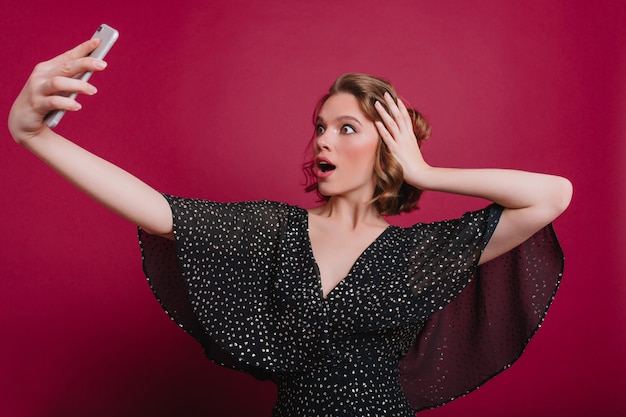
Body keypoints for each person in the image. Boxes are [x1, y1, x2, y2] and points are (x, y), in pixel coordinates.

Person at [9, 39, 572, 416]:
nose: (323, 139)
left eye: (346, 127)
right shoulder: (273, 231)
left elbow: (553, 195)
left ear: (389, 146)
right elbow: (156, 208)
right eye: (320, 125)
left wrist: (426, 171)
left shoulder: (420, 253)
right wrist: (34, 136)